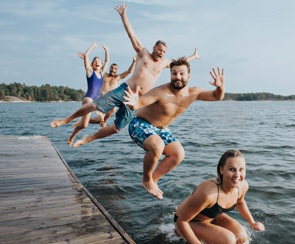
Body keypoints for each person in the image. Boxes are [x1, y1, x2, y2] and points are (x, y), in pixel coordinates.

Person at [50, 3, 201, 147]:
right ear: (154, 47)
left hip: (137, 100)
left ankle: (89, 138)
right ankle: (66, 119)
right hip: (125, 90)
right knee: (94, 105)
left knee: (116, 128)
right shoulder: (143, 53)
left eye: (164, 52)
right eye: (160, 49)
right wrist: (123, 15)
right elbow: (132, 35)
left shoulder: (164, 63)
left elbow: (180, 62)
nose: (161, 53)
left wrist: (193, 57)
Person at [123, 57, 224, 200]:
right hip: (140, 124)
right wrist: (133, 103)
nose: (178, 77)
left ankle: (153, 180)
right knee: (158, 146)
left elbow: (216, 96)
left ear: (188, 76)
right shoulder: (160, 92)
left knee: (178, 154)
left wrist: (219, 87)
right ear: (170, 74)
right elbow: (138, 103)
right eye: (174, 73)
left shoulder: (193, 92)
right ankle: (146, 180)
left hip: (161, 129)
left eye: (182, 74)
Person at [174, 150, 265, 244]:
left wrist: (252, 222)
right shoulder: (208, 193)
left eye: (241, 170)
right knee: (228, 242)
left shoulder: (243, 186)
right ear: (221, 170)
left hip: (211, 217)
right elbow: (182, 221)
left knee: (242, 237)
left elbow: (240, 202)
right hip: (187, 222)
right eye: (232, 169)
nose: (237, 175)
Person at [73, 56, 136, 127]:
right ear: (109, 68)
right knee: (101, 116)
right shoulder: (104, 75)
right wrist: (86, 59)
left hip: (111, 101)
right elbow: (95, 67)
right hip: (101, 99)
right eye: (111, 68)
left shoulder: (118, 77)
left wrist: (133, 62)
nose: (113, 70)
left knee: (104, 117)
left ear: (117, 70)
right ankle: (99, 120)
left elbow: (129, 71)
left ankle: (101, 121)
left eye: (115, 69)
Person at [67, 41, 109, 146]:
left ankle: (72, 136)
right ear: (92, 64)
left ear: (101, 64)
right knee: (99, 105)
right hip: (88, 99)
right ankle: (100, 114)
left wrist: (106, 51)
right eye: (95, 60)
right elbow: (86, 55)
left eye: (99, 60)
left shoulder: (101, 73)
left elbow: (107, 62)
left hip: (95, 100)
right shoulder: (90, 72)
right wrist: (93, 46)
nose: (98, 62)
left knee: (84, 125)